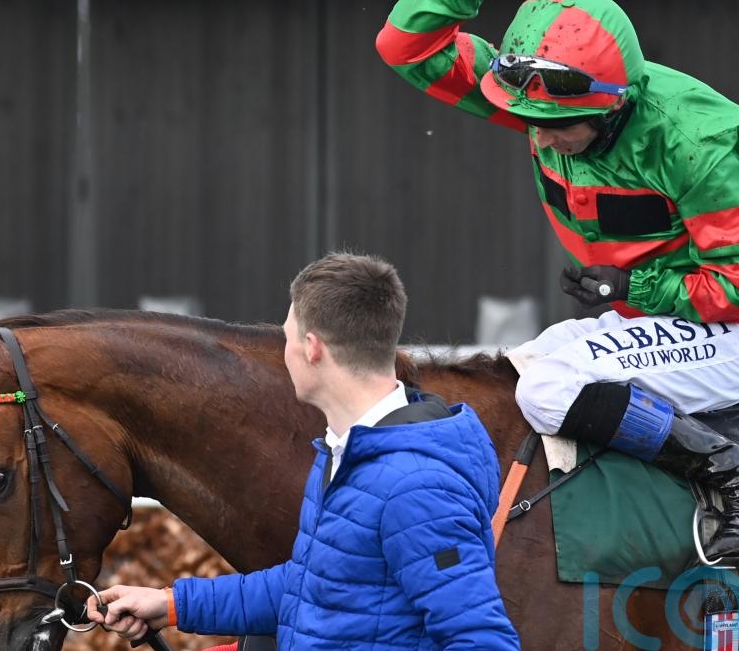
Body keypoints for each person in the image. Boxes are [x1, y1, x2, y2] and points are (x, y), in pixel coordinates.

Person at [376, 0, 739, 560]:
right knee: (519, 368)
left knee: (547, 388)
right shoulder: (540, 98)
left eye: (559, 127)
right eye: (528, 120)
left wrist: (635, 287)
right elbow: (405, 47)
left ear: (612, 106)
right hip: (649, 323)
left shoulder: (695, 146)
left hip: (730, 332)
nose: (541, 137)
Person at [87, 252, 520, 649]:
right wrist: (170, 604)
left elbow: (482, 640)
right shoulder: (347, 451)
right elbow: (313, 585)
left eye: (286, 337)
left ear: (312, 348)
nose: (285, 352)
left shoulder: (416, 487)